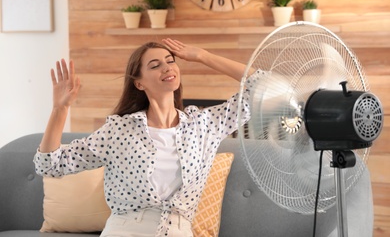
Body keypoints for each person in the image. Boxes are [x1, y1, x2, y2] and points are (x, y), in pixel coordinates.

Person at [34, 38, 261, 237]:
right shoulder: (119, 131)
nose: (166, 67)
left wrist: (203, 56)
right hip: (125, 230)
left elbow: (261, 88)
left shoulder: (203, 126)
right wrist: (60, 109)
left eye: (170, 61)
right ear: (139, 83)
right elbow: (50, 164)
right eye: (155, 65)